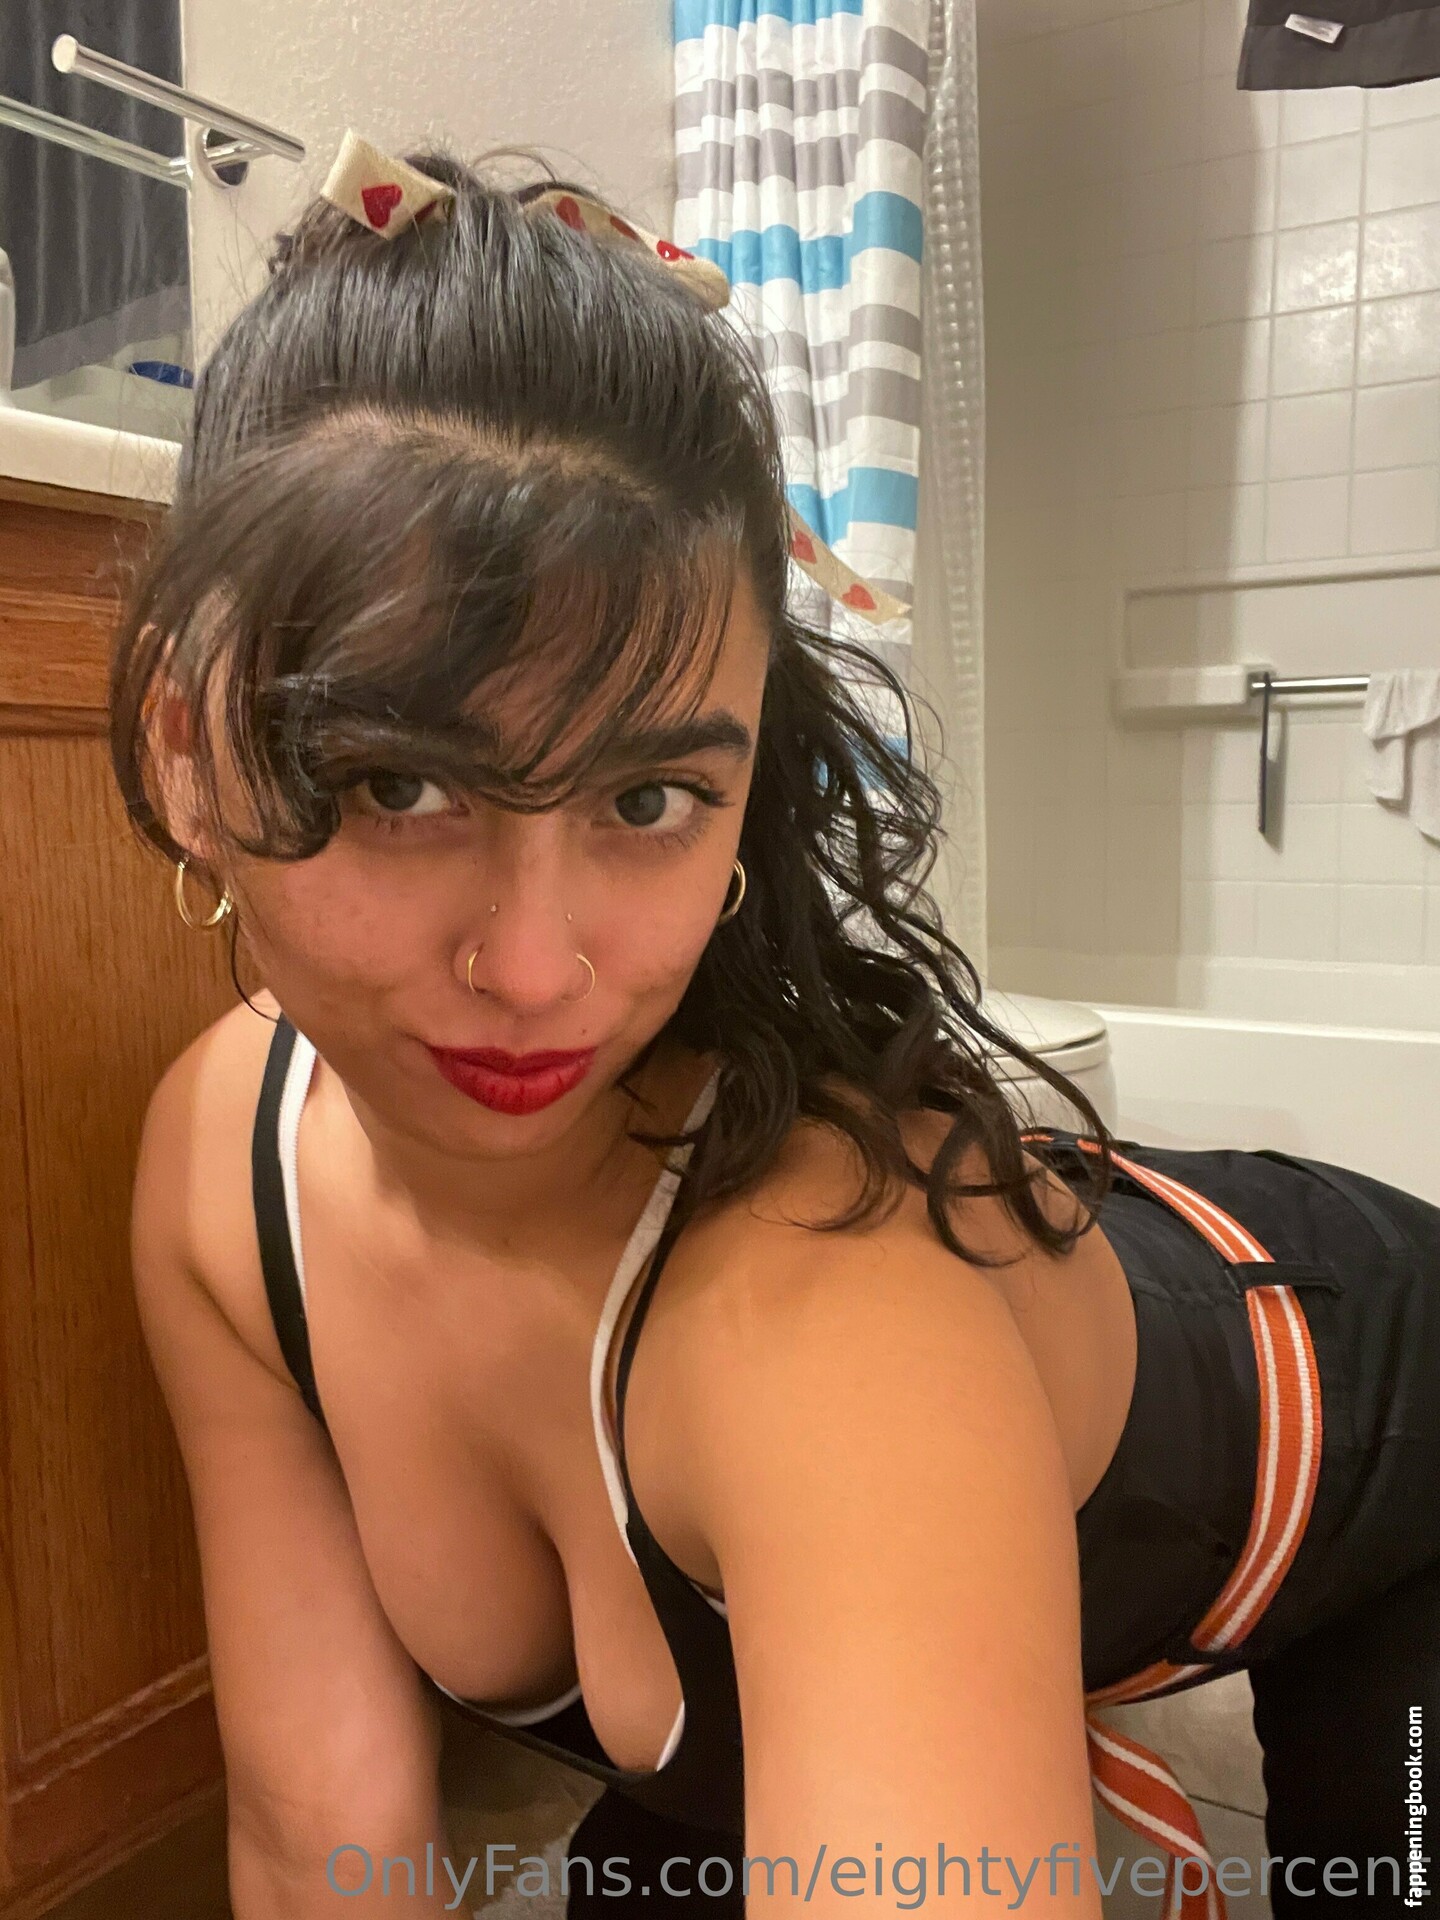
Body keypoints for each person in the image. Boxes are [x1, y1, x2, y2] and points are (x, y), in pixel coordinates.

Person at [110, 142, 1440, 1920]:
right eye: (399, 783)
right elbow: (319, 1843)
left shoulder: (832, 1302)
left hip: (1387, 1427)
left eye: (649, 799)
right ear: (189, 753)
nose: (534, 968)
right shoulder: (223, 1169)